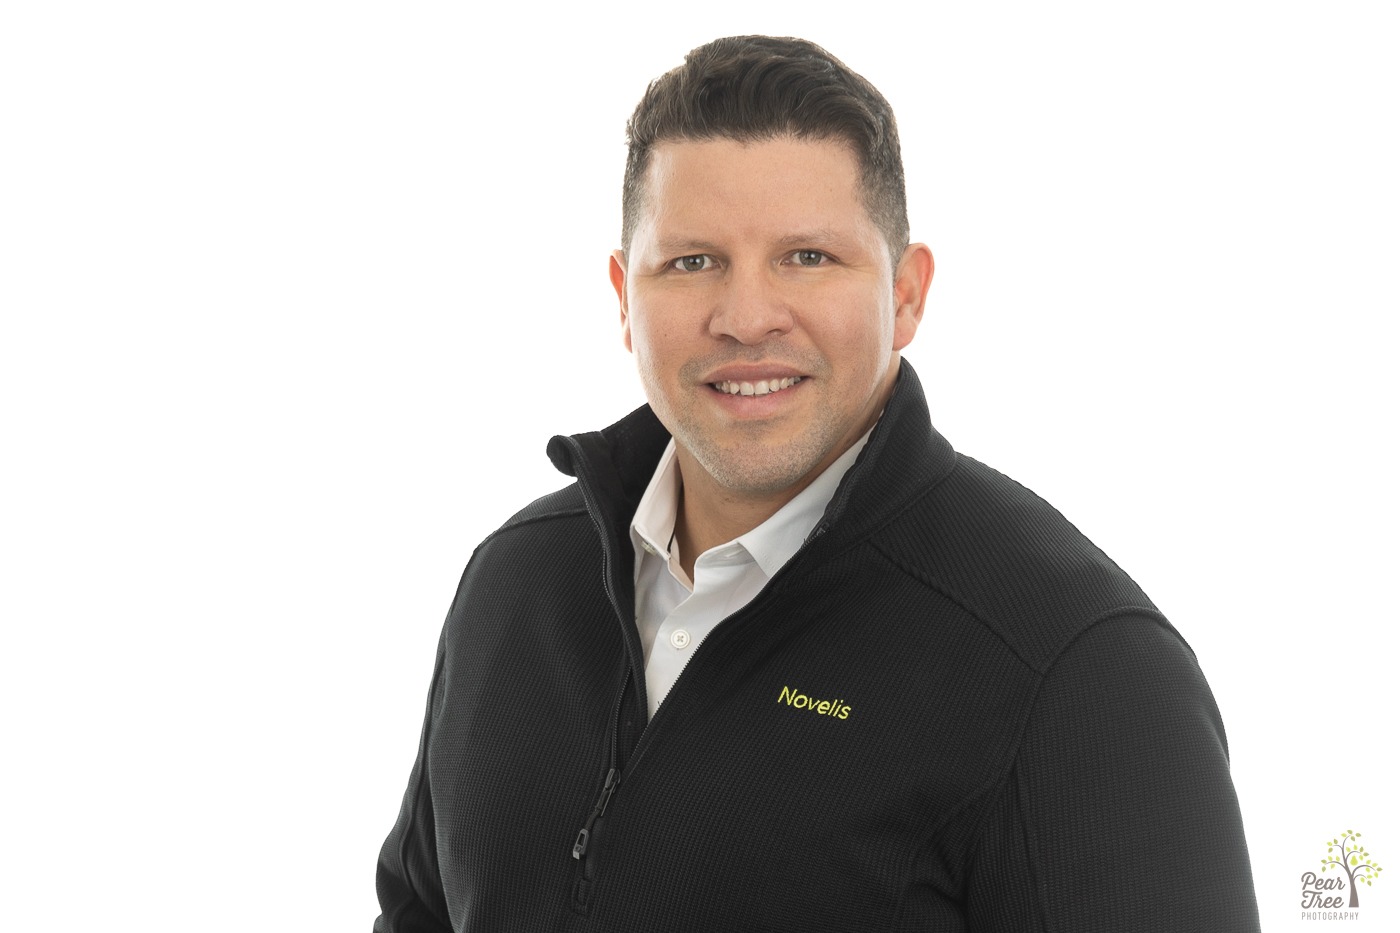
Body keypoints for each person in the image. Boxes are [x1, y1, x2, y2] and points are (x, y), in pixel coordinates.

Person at [373, 35, 1259, 932]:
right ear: (622, 297)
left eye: (808, 257)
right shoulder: (516, 582)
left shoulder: (1077, 668)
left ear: (907, 294)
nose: (748, 316)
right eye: (691, 261)